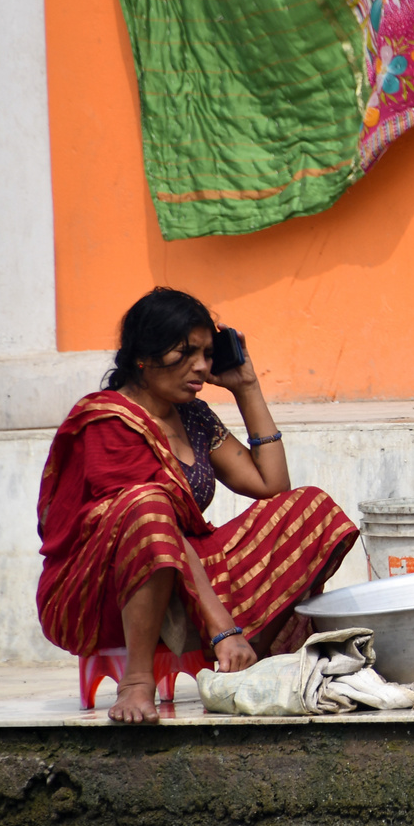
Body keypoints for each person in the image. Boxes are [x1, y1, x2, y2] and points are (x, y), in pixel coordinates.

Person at [36, 288, 359, 724]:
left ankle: (246, 662)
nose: (202, 367)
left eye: (207, 353)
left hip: (187, 578)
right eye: (185, 353)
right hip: (102, 593)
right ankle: (137, 682)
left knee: (311, 508)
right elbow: (155, 526)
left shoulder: (194, 416)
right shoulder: (108, 419)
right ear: (143, 356)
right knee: (148, 505)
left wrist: (247, 388)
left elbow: (271, 485)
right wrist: (223, 628)